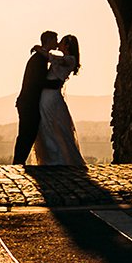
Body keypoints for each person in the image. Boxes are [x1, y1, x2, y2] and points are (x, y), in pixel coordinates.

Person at [31, 33, 86, 166]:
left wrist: (40, 49)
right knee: (49, 124)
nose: (58, 44)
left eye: (60, 42)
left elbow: (51, 57)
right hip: (49, 95)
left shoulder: (69, 60)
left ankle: (56, 158)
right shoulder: (64, 59)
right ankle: (51, 156)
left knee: (54, 125)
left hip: (51, 97)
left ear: (66, 45)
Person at [12, 30, 59, 165]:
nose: (57, 43)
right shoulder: (39, 59)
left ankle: (19, 161)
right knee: (27, 133)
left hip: (28, 102)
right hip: (29, 103)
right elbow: (38, 81)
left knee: (27, 133)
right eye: (55, 40)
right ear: (49, 40)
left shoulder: (40, 57)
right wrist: (56, 84)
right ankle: (18, 161)